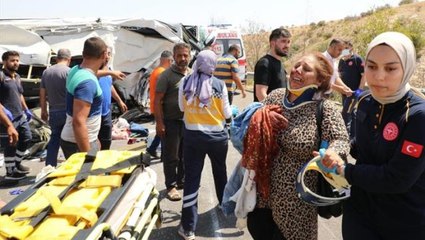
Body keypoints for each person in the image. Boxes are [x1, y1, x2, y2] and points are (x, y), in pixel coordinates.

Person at [322, 32, 425, 240]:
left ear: (407, 68)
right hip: (359, 216)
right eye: (372, 66)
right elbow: (360, 146)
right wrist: (334, 150)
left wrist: (345, 170)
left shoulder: (417, 115)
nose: (378, 76)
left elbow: (397, 179)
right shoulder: (366, 102)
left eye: (390, 68)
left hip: (403, 223)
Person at [245, 52, 350, 239]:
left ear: (320, 80)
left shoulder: (324, 108)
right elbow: (246, 130)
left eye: (306, 69)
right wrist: (260, 119)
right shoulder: (276, 97)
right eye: (296, 65)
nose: (297, 70)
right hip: (263, 194)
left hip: (296, 204)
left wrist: (332, 153)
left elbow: (341, 139)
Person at [177, 50, 232, 240]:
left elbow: (181, 108)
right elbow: (226, 113)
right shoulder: (220, 84)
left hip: (193, 138)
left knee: (191, 179)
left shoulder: (184, 82)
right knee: (220, 172)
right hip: (217, 138)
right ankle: (225, 207)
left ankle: (188, 228)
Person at [60, 37, 107, 159]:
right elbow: (78, 122)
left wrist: (95, 140)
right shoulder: (87, 83)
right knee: (88, 178)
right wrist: (88, 156)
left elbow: (93, 72)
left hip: (82, 139)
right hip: (79, 143)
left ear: (83, 54)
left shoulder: (76, 70)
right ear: (104, 55)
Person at [154, 43, 191, 201]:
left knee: (185, 155)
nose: (183, 58)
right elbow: (157, 101)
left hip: (188, 122)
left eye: (185, 55)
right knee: (171, 156)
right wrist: (159, 123)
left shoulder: (191, 74)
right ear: (174, 57)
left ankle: (181, 181)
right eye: (179, 56)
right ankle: (171, 186)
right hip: (170, 122)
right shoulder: (166, 75)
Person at [0, 50, 32, 181]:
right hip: (6, 118)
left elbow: (20, 94)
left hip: (20, 116)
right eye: (12, 60)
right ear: (4, 61)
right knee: (11, 144)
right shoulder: (1, 76)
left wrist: (26, 109)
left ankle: (17, 164)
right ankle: (10, 172)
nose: (15, 63)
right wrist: (6, 118)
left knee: (26, 138)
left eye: (17, 60)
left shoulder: (17, 76)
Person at [39, 48, 71, 166]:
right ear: (69, 59)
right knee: (70, 140)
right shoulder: (70, 72)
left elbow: (42, 92)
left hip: (53, 111)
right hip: (68, 111)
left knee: (54, 139)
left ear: (57, 58)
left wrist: (43, 110)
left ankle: (50, 166)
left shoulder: (46, 72)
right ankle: (71, 165)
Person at [97, 46, 128, 150]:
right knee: (94, 143)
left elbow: (110, 86)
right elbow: (93, 74)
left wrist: (119, 101)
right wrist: (111, 73)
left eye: (109, 54)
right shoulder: (95, 69)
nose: (108, 56)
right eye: (106, 53)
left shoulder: (109, 70)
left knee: (106, 141)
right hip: (95, 113)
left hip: (106, 112)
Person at [146, 50, 173, 159]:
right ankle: (164, 154)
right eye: (171, 61)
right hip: (160, 106)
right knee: (163, 131)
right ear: (168, 60)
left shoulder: (155, 71)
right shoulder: (162, 73)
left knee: (161, 130)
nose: (172, 63)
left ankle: (153, 149)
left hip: (155, 105)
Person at [253, 27, 291, 102]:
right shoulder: (265, 63)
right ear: (272, 43)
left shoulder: (279, 63)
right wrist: (274, 111)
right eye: (283, 41)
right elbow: (260, 94)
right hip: (268, 112)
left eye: (288, 42)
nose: (287, 45)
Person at [338, 41, 365, 138]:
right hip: (344, 92)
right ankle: (355, 137)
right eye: (342, 48)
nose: (344, 50)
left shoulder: (357, 59)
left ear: (351, 48)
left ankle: (346, 137)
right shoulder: (341, 61)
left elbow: (364, 75)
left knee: (345, 113)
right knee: (352, 113)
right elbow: (339, 75)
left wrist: (360, 90)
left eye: (346, 48)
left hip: (354, 93)